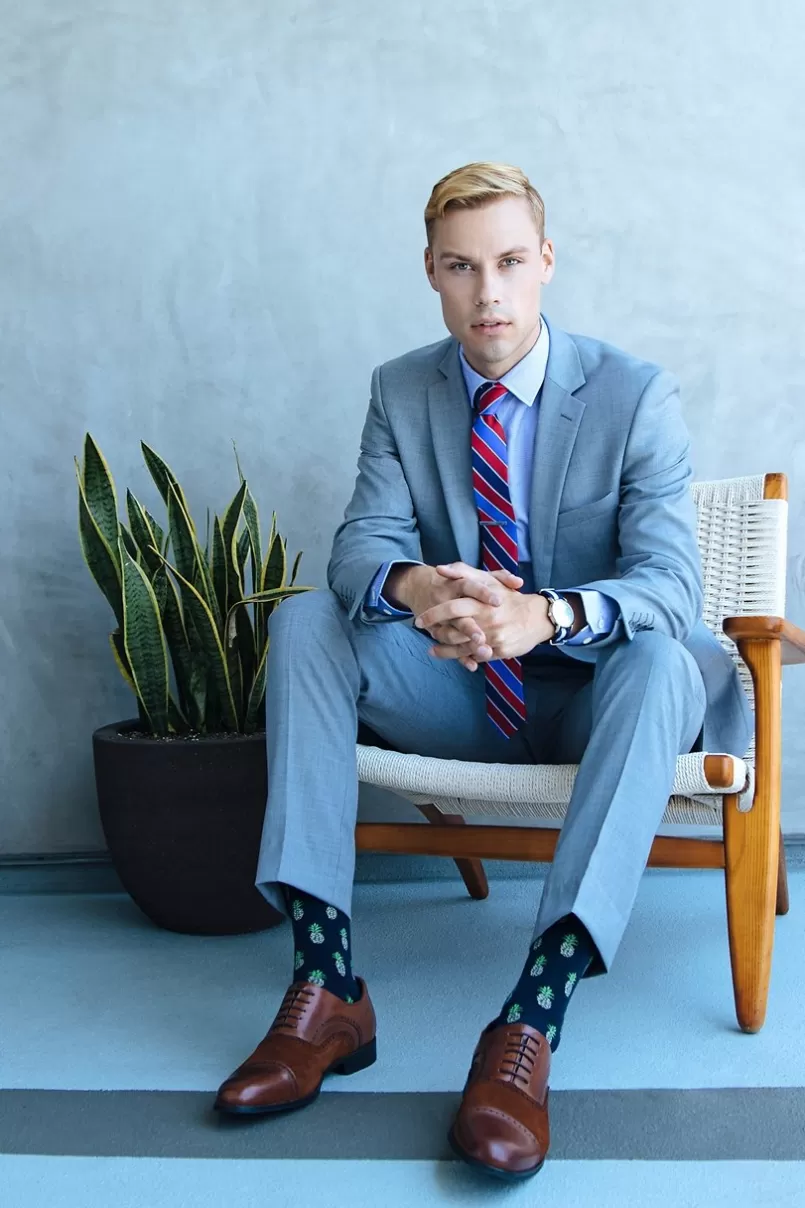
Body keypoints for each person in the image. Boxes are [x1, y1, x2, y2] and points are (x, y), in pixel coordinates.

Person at [213, 161, 751, 1182]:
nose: (488, 292)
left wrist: (538, 615)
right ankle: (328, 987)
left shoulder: (635, 394)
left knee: (662, 656)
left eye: (508, 262)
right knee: (304, 624)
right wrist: (424, 592)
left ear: (545, 261)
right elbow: (357, 548)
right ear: (430, 272)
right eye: (462, 267)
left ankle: (532, 1015)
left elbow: (671, 583)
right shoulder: (399, 388)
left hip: (595, 702)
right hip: (456, 693)